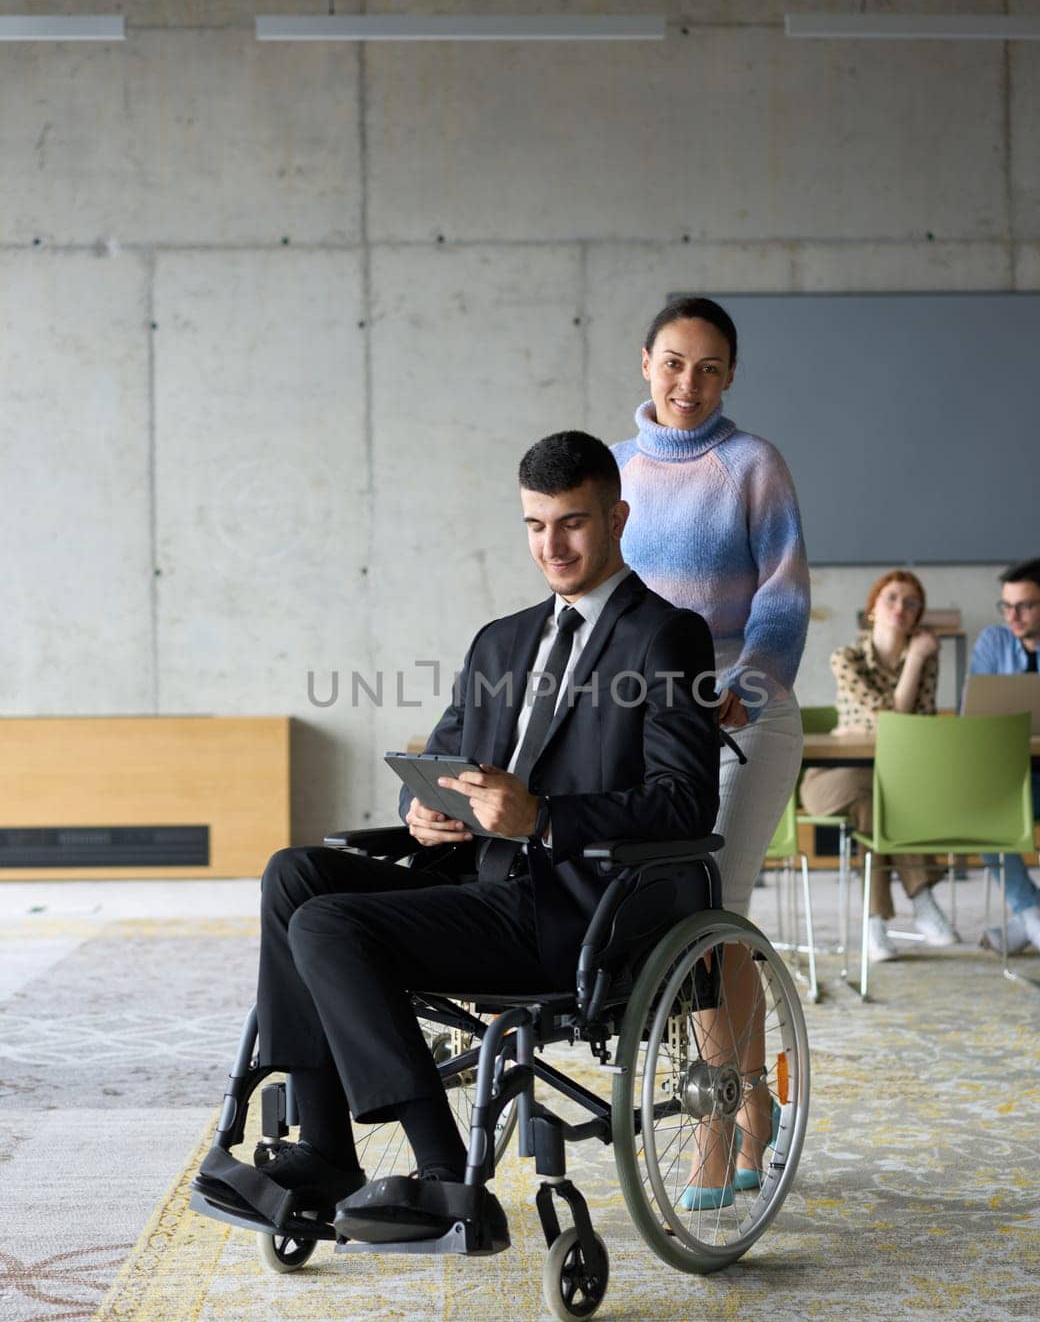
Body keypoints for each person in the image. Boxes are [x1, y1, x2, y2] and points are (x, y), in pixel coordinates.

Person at [197, 430, 719, 1247]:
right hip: (476, 882)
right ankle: (326, 1148)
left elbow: (685, 805)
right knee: (294, 875)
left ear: (617, 518)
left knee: (328, 923)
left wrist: (544, 816)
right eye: (534, 525)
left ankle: (446, 1176)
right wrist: (425, 814)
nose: (552, 544)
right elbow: (447, 762)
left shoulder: (665, 638)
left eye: (573, 523)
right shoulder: (500, 641)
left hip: (575, 909)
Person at [612, 296, 810, 1205]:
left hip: (742, 714)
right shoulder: (614, 472)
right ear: (645, 363)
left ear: (728, 377)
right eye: (673, 362)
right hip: (646, 719)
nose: (687, 382)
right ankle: (754, 1096)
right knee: (694, 922)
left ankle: (714, 1122)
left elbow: (782, 591)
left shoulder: (749, 464)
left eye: (708, 368)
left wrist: (753, 685)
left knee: (710, 907)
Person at [800, 569, 959, 963]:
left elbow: (913, 731)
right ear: (872, 609)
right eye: (891, 598)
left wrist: (917, 662)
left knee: (877, 799)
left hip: (883, 785)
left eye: (911, 602)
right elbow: (895, 716)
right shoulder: (847, 658)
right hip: (829, 780)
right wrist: (918, 657)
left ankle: (875, 925)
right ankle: (922, 899)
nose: (901, 607)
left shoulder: (924, 663)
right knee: (881, 794)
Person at [970, 557, 1040, 958]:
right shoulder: (993, 642)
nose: (1013, 615)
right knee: (978, 816)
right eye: (1006, 605)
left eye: (1025, 605)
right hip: (1010, 773)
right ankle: (1034, 918)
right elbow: (976, 709)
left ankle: (1027, 923)